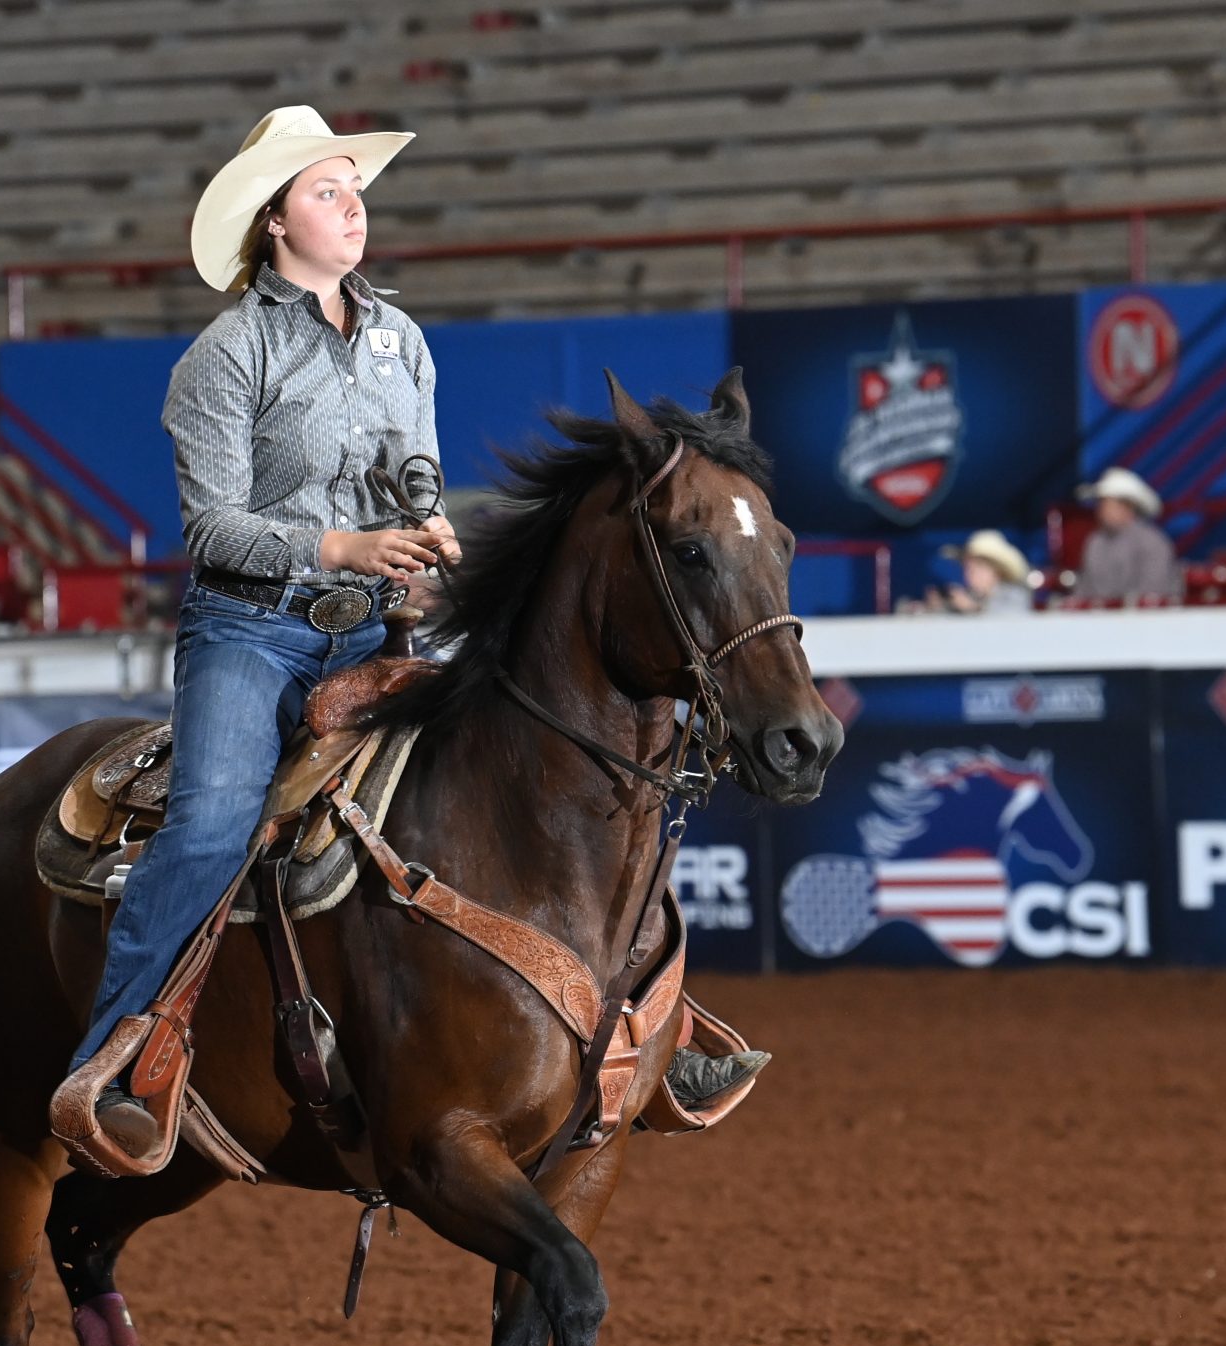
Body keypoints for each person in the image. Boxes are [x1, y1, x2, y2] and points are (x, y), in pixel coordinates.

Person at [54, 106, 758, 1169]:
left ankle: (647, 1024)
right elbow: (211, 527)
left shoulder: (400, 338)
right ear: (276, 221)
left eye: (353, 188)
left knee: (529, 788)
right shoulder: (224, 354)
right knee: (207, 825)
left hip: (372, 632)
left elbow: (415, 472)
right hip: (252, 635)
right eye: (327, 192)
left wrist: (425, 534)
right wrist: (342, 547)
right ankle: (119, 1051)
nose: (353, 206)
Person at [1071, 466, 1180, 602]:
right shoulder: (1095, 542)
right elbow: (1084, 589)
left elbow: (1152, 593)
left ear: (1127, 507)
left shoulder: (1152, 542)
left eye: (1107, 503)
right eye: (1101, 503)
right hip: (1101, 619)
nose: (1101, 510)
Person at [932, 529, 1033, 615]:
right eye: (967, 568)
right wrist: (938, 608)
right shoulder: (974, 597)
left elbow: (1010, 619)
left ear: (997, 571)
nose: (969, 574)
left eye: (977, 568)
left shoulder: (1014, 595)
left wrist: (973, 609)